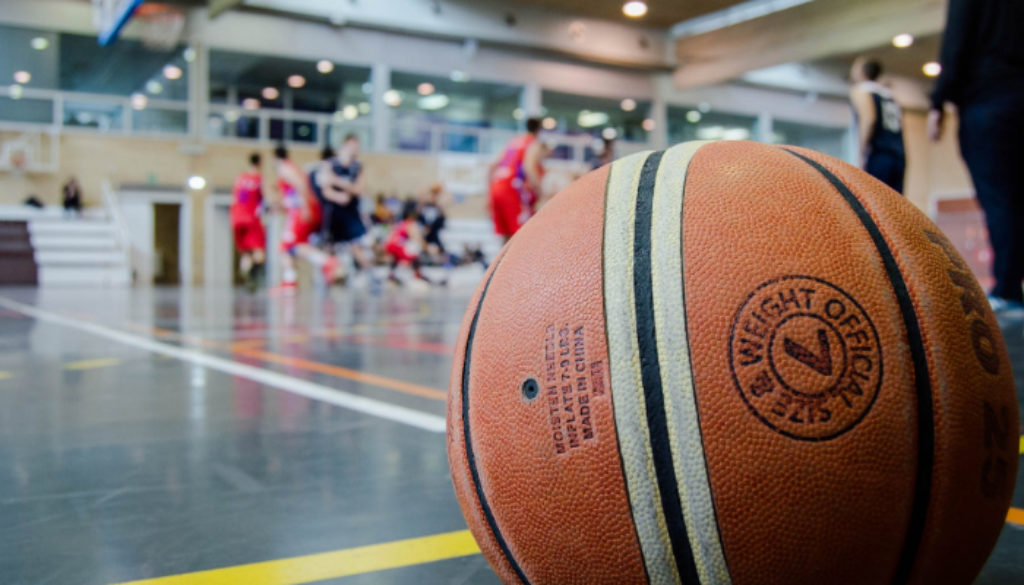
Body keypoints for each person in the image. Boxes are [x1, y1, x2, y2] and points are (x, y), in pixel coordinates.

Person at [928, 0, 1024, 312]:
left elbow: (956, 41)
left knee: (1000, 200)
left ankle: (1008, 290)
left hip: (987, 102)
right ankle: (1010, 287)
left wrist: (938, 101)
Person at [315, 134, 377, 286]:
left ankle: (371, 277)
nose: (355, 149)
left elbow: (359, 189)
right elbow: (325, 189)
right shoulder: (330, 164)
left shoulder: (357, 167)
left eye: (357, 147)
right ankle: (327, 280)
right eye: (352, 146)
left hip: (351, 213)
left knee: (357, 246)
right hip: (334, 213)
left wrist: (338, 182)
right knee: (329, 247)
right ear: (344, 145)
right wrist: (339, 195)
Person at [274, 144, 332, 290]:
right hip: (299, 210)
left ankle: (325, 261)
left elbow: (301, 185)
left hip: (300, 211)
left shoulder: (285, 168)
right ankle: (290, 280)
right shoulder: (290, 168)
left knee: (288, 246)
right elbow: (291, 193)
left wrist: (305, 207)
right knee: (290, 246)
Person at [849, 57, 905, 194]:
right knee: (894, 202)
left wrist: (861, 153)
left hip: (878, 154)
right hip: (899, 154)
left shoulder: (862, 90)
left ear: (862, 72)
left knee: (873, 199)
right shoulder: (889, 94)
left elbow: (869, 119)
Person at [488, 117, 548, 243]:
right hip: (512, 190)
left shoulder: (513, 142)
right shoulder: (534, 143)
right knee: (520, 237)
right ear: (539, 130)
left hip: (496, 187)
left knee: (506, 237)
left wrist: (488, 192)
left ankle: (504, 257)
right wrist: (542, 193)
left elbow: (492, 166)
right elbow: (529, 167)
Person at [230, 153, 266, 291]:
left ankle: (245, 269)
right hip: (251, 219)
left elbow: (234, 198)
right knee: (258, 251)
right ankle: (253, 275)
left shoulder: (239, 178)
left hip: (236, 218)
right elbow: (266, 197)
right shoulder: (259, 179)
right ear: (260, 163)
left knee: (245, 252)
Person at [384, 200, 432, 285]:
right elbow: (417, 239)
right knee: (415, 251)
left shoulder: (401, 223)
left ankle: (391, 275)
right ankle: (418, 275)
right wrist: (428, 248)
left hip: (390, 246)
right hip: (397, 246)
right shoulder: (411, 224)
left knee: (397, 258)